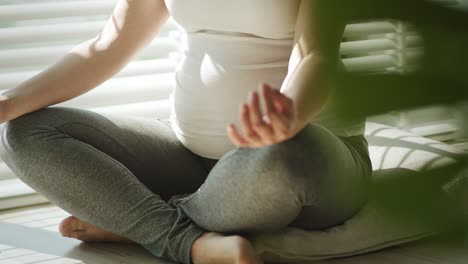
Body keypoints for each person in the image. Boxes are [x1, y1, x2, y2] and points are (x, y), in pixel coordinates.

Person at [0, 1, 372, 263]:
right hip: (192, 157)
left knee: (286, 156)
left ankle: (140, 225)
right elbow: (107, 46)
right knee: (25, 132)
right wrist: (9, 102)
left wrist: (287, 114)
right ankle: (185, 240)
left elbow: (313, 56)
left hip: (305, 158)